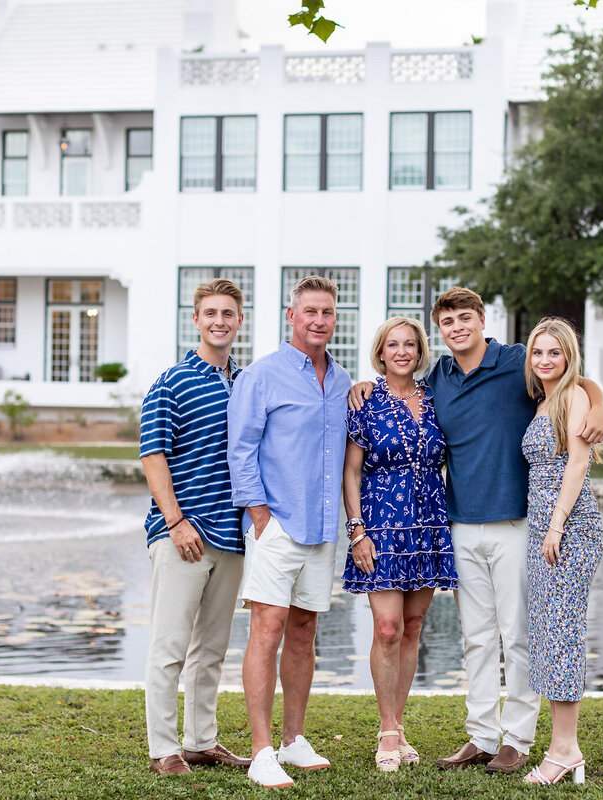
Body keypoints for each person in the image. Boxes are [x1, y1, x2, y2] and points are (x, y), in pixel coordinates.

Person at [350, 287, 603, 775]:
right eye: (448, 322)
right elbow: (396, 384)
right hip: (458, 525)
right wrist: (361, 386)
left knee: (519, 636)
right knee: (477, 638)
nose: (457, 328)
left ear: (482, 319)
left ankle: (518, 739)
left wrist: (599, 405)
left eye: (465, 318)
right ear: (440, 331)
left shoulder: (516, 361)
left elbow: (571, 375)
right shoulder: (438, 378)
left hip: (516, 523)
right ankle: (483, 735)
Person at [227, 274, 353, 789]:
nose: (319, 321)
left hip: (324, 529)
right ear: (291, 316)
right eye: (310, 312)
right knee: (268, 630)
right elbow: (241, 450)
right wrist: (261, 519)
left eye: (327, 312)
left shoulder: (345, 380)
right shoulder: (262, 376)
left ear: (334, 318)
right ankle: (260, 751)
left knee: (305, 632)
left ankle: (293, 740)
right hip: (275, 525)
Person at [139, 278, 252, 777]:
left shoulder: (246, 382)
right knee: (169, 646)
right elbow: (152, 454)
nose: (220, 322)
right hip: (182, 533)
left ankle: (201, 741)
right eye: (211, 313)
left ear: (239, 321)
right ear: (196, 320)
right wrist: (175, 521)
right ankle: (164, 747)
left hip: (231, 537)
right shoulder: (172, 381)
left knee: (211, 649)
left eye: (228, 313)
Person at [343, 317, 457, 773]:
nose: (403, 351)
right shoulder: (364, 401)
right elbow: (352, 471)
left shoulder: (434, 399)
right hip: (381, 525)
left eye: (410, 344)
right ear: (381, 352)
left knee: (412, 627)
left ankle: (400, 725)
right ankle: (386, 729)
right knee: (386, 627)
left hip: (428, 523)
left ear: (420, 350)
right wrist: (357, 530)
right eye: (394, 344)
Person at [520, 317, 603, 785]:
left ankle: (564, 750)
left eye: (555, 352)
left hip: (568, 530)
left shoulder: (572, 397)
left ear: (569, 356)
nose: (545, 360)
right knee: (550, 635)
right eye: (539, 353)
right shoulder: (544, 400)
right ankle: (562, 747)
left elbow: (577, 461)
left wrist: (555, 527)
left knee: (561, 635)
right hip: (543, 532)